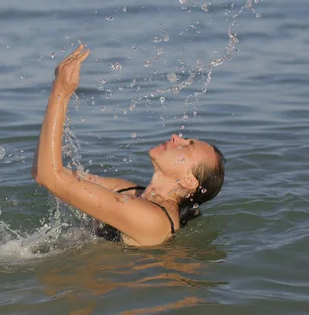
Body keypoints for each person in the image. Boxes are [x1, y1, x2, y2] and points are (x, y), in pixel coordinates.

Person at [31, 44, 225, 247]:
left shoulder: (153, 220)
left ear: (188, 182)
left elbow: (49, 176)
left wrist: (60, 93)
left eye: (187, 146)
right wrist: (59, 91)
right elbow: (42, 171)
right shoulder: (129, 190)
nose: (177, 137)